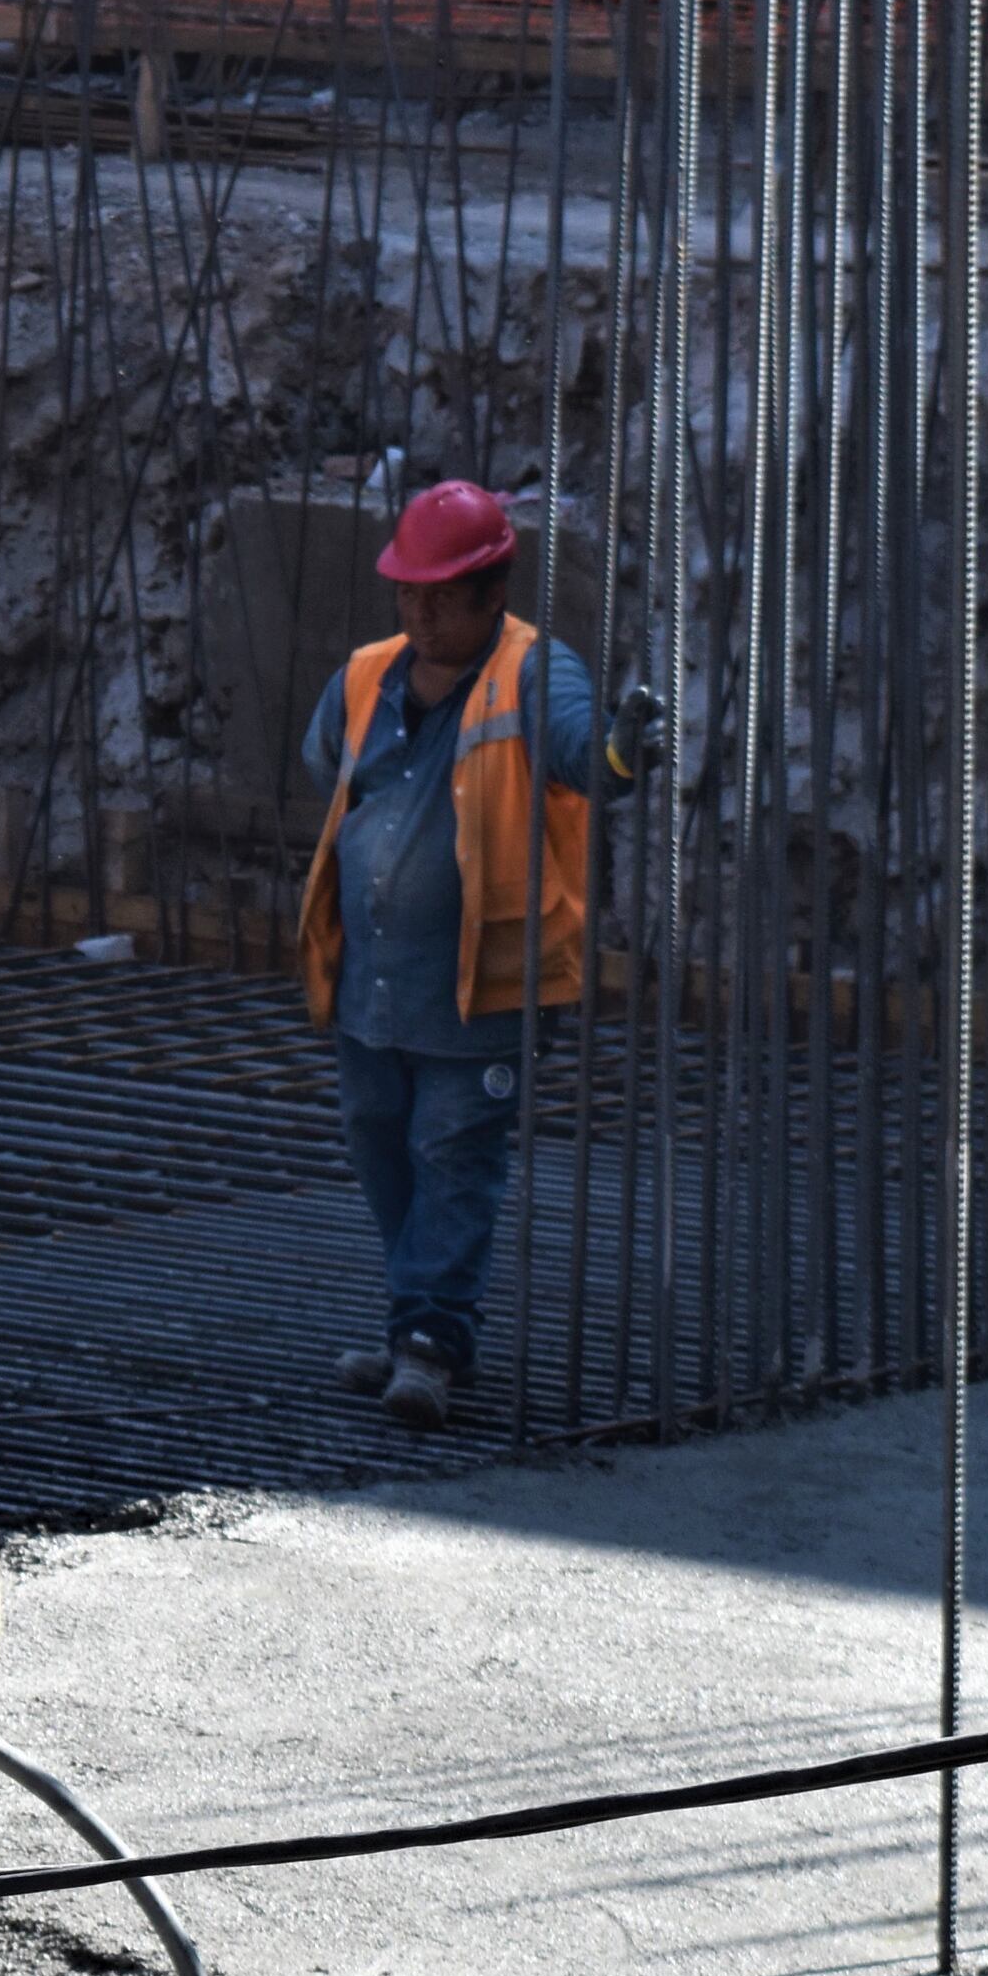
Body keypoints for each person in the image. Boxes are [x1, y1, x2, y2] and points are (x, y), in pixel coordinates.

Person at [295, 481, 662, 1431]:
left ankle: (430, 1345)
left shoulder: (536, 672)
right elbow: (323, 759)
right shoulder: (371, 674)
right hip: (372, 990)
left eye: (439, 596)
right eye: (408, 593)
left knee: (454, 1159)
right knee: (387, 1156)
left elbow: (586, 757)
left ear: (490, 590)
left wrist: (623, 751)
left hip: (480, 990)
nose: (418, 613)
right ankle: (409, 1317)